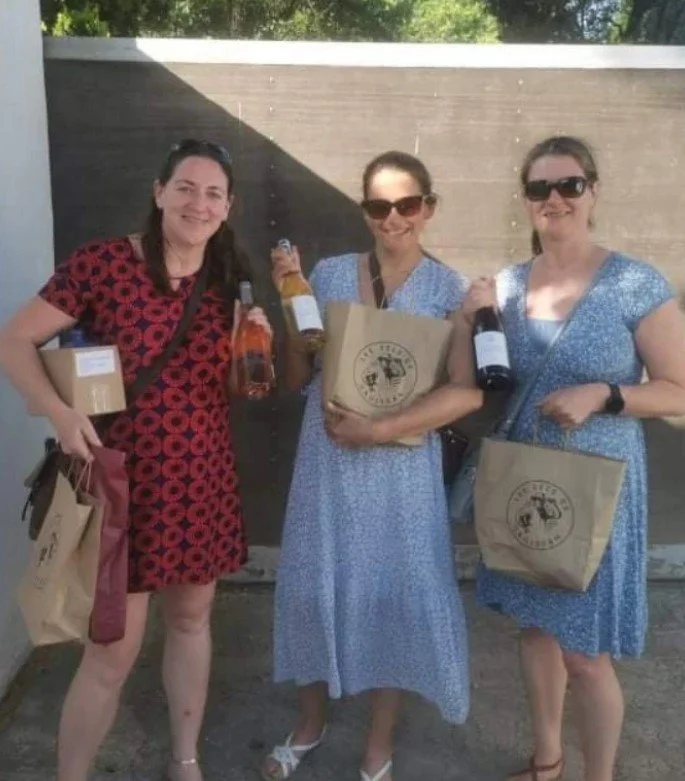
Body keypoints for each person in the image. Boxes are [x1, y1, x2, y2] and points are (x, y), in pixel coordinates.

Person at [0, 139, 272, 781]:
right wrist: (59, 413)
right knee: (111, 650)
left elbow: (235, 387)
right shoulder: (102, 265)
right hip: (121, 484)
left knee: (192, 619)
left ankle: (184, 760)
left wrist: (249, 350)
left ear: (227, 207)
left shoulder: (229, 279)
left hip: (201, 479)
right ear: (158, 192)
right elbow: (14, 341)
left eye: (212, 193)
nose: (197, 203)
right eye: (185, 187)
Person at [463, 136, 685, 781]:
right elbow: (487, 379)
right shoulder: (505, 285)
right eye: (540, 189)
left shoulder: (634, 282)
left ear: (593, 191)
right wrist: (471, 319)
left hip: (598, 492)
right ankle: (548, 760)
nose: (555, 199)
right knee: (534, 628)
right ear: (526, 201)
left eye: (569, 185)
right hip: (526, 487)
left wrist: (606, 394)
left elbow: (679, 389)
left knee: (585, 654)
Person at [261, 151, 483, 781]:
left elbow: (466, 391)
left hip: (399, 473)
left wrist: (379, 428)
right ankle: (311, 721)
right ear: (364, 211)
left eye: (407, 204)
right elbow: (301, 378)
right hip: (326, 463)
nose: (393, 219)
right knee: (310, 588)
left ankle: (378, 743)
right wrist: (288, 302)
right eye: (379, 206)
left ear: (429, 208)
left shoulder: (450, 291)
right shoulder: (327, 274)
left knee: (392, 597)